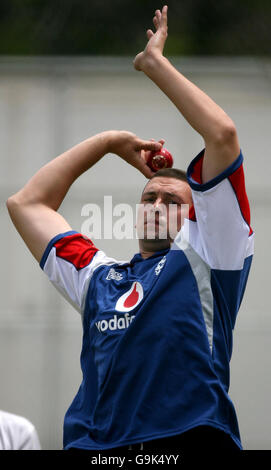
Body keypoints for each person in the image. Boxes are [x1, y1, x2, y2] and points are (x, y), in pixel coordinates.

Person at [6, 6, 254, 452]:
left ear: (197, 218)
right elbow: (27, 204)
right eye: (148, 198)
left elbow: (221, 135)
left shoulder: (210, 254)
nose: (156, 206)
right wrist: (108, 142)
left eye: (172, 201)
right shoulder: (100, 278)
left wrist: (155, 65)